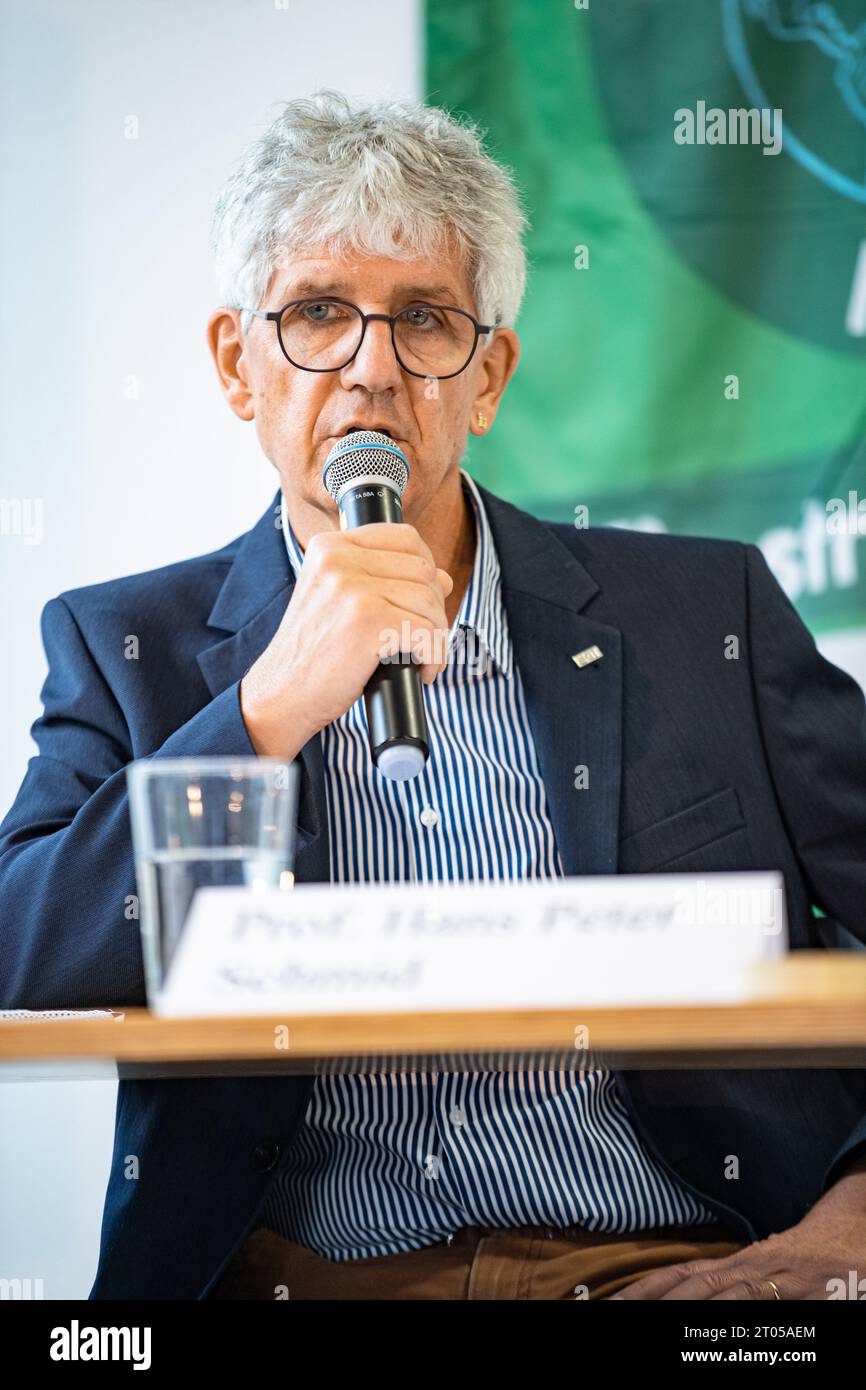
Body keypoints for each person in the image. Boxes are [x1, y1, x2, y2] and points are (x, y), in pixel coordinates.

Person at [1, 91, 865, 1302]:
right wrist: (264, 711)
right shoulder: (121, 643)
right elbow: (21, 950)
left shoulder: (703, 613)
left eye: (422, 320)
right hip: (293, 1278)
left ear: (489, 374)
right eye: (315, 314)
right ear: (236, 366)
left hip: (662, 1264)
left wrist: (842, 1232)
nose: (371, 367)